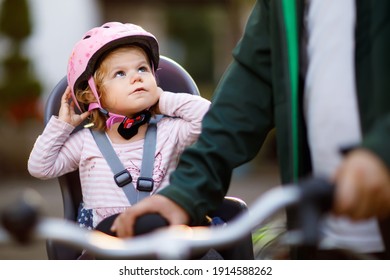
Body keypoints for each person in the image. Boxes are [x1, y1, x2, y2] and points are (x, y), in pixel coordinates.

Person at [111, 1, 390, 259]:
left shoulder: (168, 124)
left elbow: (201, 114)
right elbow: (250, 85)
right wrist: (185, 193)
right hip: (319, 233)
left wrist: (382, 152)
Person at [27, 22, 210, 230]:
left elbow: (212, 120)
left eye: (142, 68)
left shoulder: (170, 131)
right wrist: (62, 126)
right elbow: (40, 167)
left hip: (164, 238)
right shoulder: (86, 143)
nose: (136, 77)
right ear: (92, 95)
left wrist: (162, 100)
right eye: (120, 73)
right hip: (108, 245)